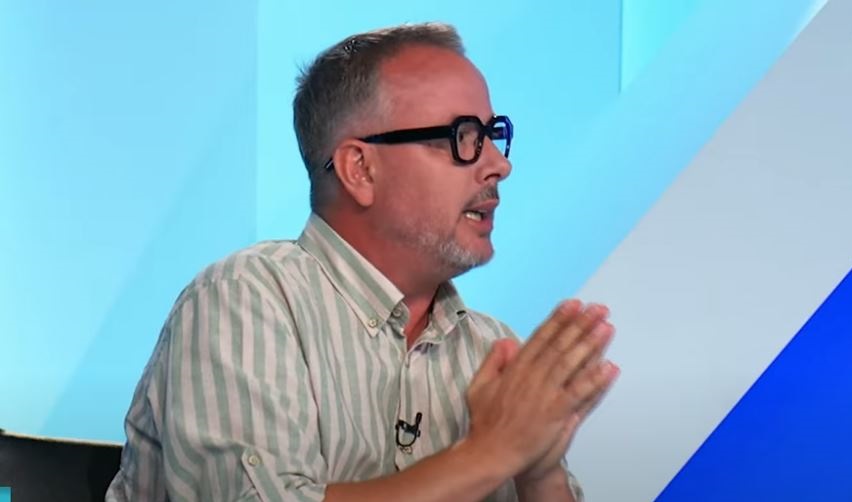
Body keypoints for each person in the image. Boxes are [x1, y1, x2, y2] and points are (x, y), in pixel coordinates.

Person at [106, 22, 618, 502]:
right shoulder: (246, 298)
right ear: (360, 169)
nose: (499, 165)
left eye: (493, 133)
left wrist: (538, 471)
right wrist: (489, 454)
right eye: (463, 137)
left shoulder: (492, 350)